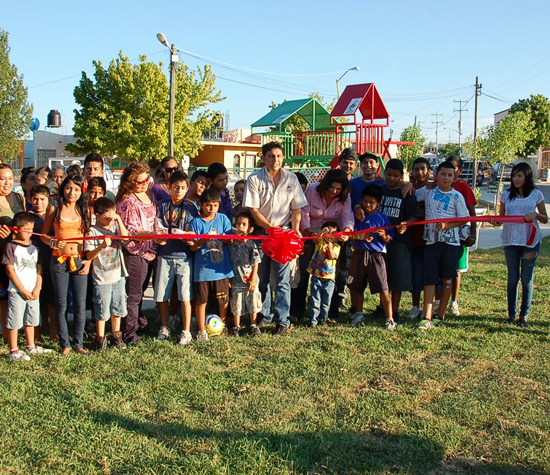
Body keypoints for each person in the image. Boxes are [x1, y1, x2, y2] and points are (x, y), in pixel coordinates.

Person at [243, 142, 307, 336]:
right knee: (261, 279)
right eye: (271, 156)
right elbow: (253, 209)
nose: (275, 160)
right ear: (263, 158)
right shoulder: (254, 178)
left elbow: (297, 208)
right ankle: (264, 315)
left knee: (282, 280)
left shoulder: (292, 178)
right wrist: (271, 229)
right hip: (262, 235)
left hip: (285, 237)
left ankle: (282, 320)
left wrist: (295, 230)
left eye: (279, 156)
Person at [415, 161, 470, 330]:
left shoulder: (457, 196)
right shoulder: (429, 191)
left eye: (450, 175)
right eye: (443, 174)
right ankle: (426, 317)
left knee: (447, 278)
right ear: (436, 175)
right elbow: (413, 194)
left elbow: (464, 219)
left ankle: (441, 316)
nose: (446, 178)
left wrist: (447, 225)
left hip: (450, 244)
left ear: (454, 178)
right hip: (431, 242)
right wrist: (407, 185)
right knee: (429, 279)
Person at [292, 169, 353, 320]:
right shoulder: (313, 190)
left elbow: (347, 216)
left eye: (338, 189)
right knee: (304, 273)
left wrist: (346, 231)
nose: (334, 191)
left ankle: (331, 311)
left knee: (333, 275)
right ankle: (297, 311)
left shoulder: (345, 197)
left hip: (333, 242)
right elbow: (304, 213)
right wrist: (310, 233)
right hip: (311, 238)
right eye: (332, 187)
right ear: (325, 184)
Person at [41, 174, 92, 354]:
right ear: (63, 188)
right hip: (59, 260)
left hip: (78, 261)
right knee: (61, 304)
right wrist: (53, 242)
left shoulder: (84, 210)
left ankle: (78, 343)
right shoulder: (55, 208)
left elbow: (88, 240)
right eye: (69, 188)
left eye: (77, 189)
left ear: (81, 191)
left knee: (80, 303)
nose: (72, 192)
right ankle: (65, 344)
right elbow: (44, 235)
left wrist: (88, 261)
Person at [498, 162, 547, 327]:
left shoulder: (536, 195)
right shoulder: (506, 195)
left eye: (519, 175)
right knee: (513, 278)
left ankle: (523, 316)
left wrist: (535, 214)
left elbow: (545, 218)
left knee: (526, 279)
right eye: (514, 176)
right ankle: (511, 315)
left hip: (530, 241)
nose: (516, 179)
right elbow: (501, 218)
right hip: (511, 240)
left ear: (527, 176)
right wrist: (494, 220)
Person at [116, 162, 159, 345]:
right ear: (130, 182)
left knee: (140, 293)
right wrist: (153, 234)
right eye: (139, 181)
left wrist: (158, 236)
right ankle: (129, 333)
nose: (143, 184)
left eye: (146, 180)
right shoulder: (128, 201)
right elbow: (131, 231)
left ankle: (140, 324)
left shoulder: (147, 195)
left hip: (150, 250)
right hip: (135, 252)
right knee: (133, 296)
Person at [154, 171, 197, 345]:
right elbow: (157, 225)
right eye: (175, 187)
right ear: (169, 187)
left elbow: (194, 230)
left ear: (187, 188)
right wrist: (159, 234)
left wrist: (189, 236)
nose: (179, 190)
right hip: (164, 255)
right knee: (162, 293)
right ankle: (164, 326)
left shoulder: (191, 207)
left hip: (184, 256)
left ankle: (186, 330)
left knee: (185, 294)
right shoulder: (162, 204)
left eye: (182, 187)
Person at [3, 212, 53, 360]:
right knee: (15, 320)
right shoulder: (11, 246)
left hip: (33, 290)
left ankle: (31, 346)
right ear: (16, 229)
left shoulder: (35, 247)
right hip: (17, 290)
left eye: (31, 229)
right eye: (25, 229)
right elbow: (10, 270)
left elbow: (39, 268)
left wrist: (37, 287)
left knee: (31, 319)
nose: (29, 232)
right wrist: (22, 289)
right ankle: (13, 350)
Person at [435, 155, 478, 317]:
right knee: (440, 270)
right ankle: (438, 302)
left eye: (452, 170)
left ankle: (454, 301)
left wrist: (472, 234)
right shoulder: (436, 186)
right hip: (440, 237)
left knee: (456, 269)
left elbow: (471, 212)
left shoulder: (463, 188)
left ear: (458, 171)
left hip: (459, 236)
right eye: (444, 171)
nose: (448, 175)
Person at [348, 185, 395, 331]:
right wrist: (362, 236)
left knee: (383, 287)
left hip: (377, 256)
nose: (367, 205)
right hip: (359, 254)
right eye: (365, 201)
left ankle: (390, 318)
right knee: (356, 286)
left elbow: (389, 239)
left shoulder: (383, 218)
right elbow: (350, 235)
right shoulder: (358, 216)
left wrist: (384, 236)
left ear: (378, 203)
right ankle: (358, 313)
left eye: (371, 202)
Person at [189, 188, 234, 341]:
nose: (211, 209)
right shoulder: (195, 222)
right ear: (201, 205)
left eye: (215, 205)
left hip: (221, 270)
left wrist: (224, 238)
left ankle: (222, 325)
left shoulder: (223, 219)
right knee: (202, 300)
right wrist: (202, 240)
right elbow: (193, 247)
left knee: (223, 299)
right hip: (202, 271)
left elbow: (230, 240)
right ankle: (202, 329)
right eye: (208, 205)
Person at [85, 197, 129, 351]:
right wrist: (102, 246)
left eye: (112, 216)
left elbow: (125, 239)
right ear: (97, 215)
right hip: (102, 277)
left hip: (118, 275)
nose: (110, 220)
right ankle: (100, 338)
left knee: (118, 306)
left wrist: (118, 220)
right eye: (107, 218)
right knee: (102, 309)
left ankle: (116, 336)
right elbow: (88, 255)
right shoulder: (92, 231)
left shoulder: (115, 227)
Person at [378, 159, 418, 321]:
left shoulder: (406, 193)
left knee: (397, 278)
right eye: (389, 174)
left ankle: (394, 311)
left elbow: (415, 216)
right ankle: (383, 308)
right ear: (384, 173)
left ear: (401, 176)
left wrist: (406, 224)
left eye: (396, 176)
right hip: (379, 241)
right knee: (382, 277)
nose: (392, 178)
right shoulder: (378, 190)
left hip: (400, 241)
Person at [0, 164, 26, 344]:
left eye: (10, 178)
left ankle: (17, 331)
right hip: (1, 254)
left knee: (15, 295)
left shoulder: (19, 198)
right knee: (3, 297)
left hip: (18, 255)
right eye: (2, 179)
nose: (7, 182)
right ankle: (7, 335)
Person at [29, 185, 57, 341]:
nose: (38, 202)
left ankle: (54, 332)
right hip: (32, 266)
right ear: (30, 199)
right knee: (36, 300)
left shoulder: (53, 217)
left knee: (52, 299)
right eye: (35, 199)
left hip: (51, 262)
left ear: (49, 200)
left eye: (42, 199)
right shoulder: (27, 218)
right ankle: (37, 333)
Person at [228, 211, 262, 336]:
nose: (240, 226)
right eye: (238, 223)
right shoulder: (231, 244)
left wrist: (253, 279)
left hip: (250, 280)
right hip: (236, 279)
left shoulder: (251, 244)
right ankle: (237, 326)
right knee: (236, 303)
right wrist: (229, 278)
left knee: (252, 301)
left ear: (250, 228)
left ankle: (253, 324)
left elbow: (256, 262)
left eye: (244, 224)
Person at [408, 157, 431, 320]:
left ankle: (428, 307)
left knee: (430, 276)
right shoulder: (408, 189)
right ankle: (415, 306)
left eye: (422, 169)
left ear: (429, 171)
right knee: (415, 275)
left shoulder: (435, 189)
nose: (419, 172)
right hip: (413, 239)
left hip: (432, 240)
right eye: (416, 169)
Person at [307, 222, 341, 327]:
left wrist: (330, 247)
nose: (330, 236)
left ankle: (322, 319)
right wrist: (322, 232)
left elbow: (332, 257)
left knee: (326, 301)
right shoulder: (320, 243)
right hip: (317, 276)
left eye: (334, 233)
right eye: (328, 233)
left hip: (329, 279)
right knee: (315, 299)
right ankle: (312, 320)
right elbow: (316, 238)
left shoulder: (336, 247)